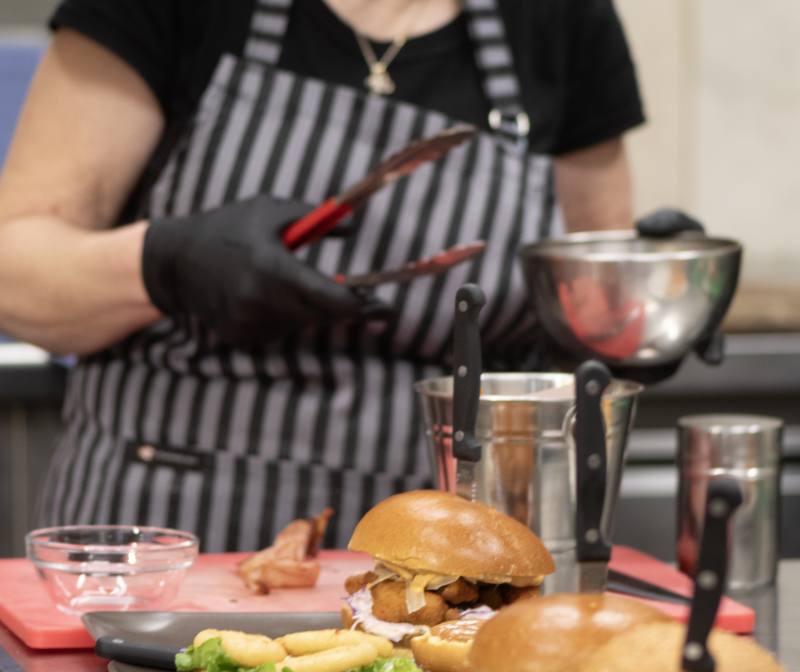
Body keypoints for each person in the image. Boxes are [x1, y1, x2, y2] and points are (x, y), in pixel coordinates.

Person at [0, 0, 684, 550]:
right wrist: (165, 264)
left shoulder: (561, 17)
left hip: (451, 557)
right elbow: (15, 271)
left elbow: (586, 310)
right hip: (160, 540)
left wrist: (642, 321)